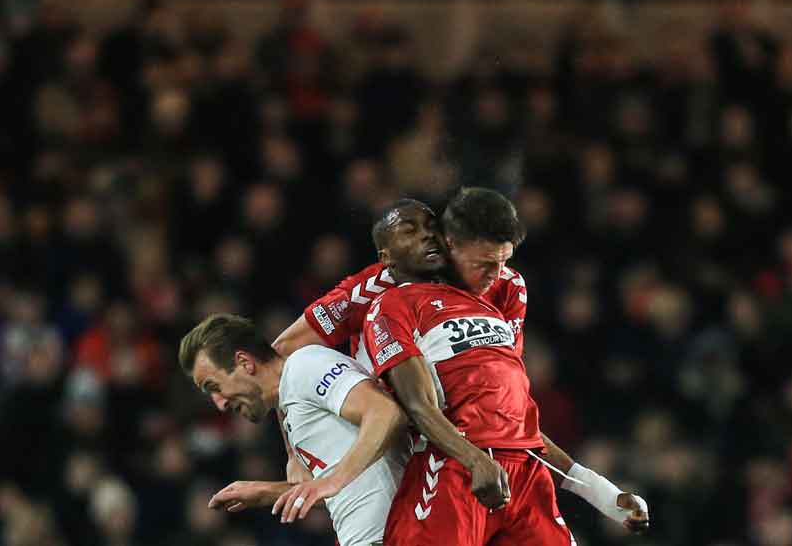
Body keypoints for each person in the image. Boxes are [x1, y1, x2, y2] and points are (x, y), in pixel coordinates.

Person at [276, 189, 649, 537]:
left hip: (484, 452)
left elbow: (506, 412)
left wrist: (602, 493)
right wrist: (296, 453)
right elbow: (284, 352)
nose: (496, 275)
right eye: (484, 264)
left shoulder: (506, 288)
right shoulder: (380, 292)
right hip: (410, 444)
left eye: (503, 262)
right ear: (450, 246)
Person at [178, 313, 410, 546]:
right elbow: (341, 488)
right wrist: (267, 492)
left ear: (245, 363)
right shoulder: (291, 405)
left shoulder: (304, 366)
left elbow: (385, 412)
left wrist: (332, 481)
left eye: (214, 387)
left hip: (393, 535)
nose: (220, 404)